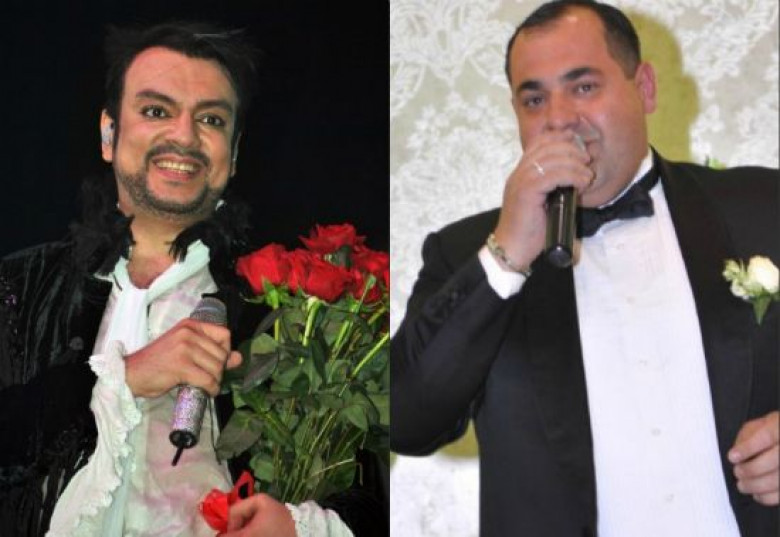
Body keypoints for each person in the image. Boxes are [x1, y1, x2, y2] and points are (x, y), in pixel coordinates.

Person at [390, 1, 779, 536]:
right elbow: (407, 420)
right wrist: (507, 255)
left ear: (644, 88)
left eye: (584, 87)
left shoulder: (762, 207)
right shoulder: (464, 254)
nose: (558, 118)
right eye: (534, 99)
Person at [0, 22, 385, 537]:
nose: (184, 136)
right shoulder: (20, 284)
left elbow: (373, 494)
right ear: (109, 134)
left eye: (210, 119)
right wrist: (124, 378)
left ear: (234, 152)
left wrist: (297, 527)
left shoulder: (288, 308)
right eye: (156, 111)